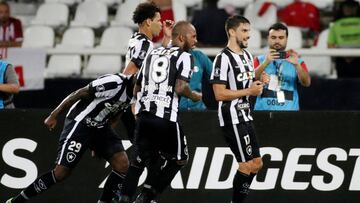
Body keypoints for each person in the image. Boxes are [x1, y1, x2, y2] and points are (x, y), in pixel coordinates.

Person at [6, 73, 136, 203]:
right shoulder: (115, 82)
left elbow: (116, 114)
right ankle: (16, 201)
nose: (141, 90)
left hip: (101, 127)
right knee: (61, 173)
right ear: (135, 79)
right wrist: (53, 115)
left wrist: (101, 143)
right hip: (80, 122)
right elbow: (79, 93)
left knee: (123, 164)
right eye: (141, 86)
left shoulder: (136, 93)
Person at [118, 21, 201, 203]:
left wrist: (139, 108)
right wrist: (194, 96)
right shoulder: (185, 56)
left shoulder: (152, 53)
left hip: (145, 116)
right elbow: (181, 87)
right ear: (181, 37)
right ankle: (147, 196)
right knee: (180, 158)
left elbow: (136, 87)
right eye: (193, 36)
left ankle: (124, 198)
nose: (196, 40)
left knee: (138, 162)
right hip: (166, 119)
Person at [210, 15, 263, 203]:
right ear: (232, 32)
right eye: (244, 31)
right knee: (246, 165)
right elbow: (219, 94)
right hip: (231, 117)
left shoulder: (247, 56)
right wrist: (250, 89)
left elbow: (247, 82)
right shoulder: (222, 58)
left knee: (257, 164)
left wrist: (258, 81)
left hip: (246, 115)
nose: (249, 35)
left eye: (249, 31)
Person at [253, 22, 311, 111]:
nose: (277, 41)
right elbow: (251, 79)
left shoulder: (298, 61)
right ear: (268, 38)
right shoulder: (259, 60)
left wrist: (297, 65)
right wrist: (265, 63)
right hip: (263, 113)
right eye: (273, 37)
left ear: (286, 39)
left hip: (289, 114)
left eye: (281, 38)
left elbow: (306, 83)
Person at [328, 0, 360, 78]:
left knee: (343, 86)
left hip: (342, 59)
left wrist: (345, 56)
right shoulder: (335, 25)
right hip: (357, 58)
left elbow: (330, 45)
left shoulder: (336, 25)